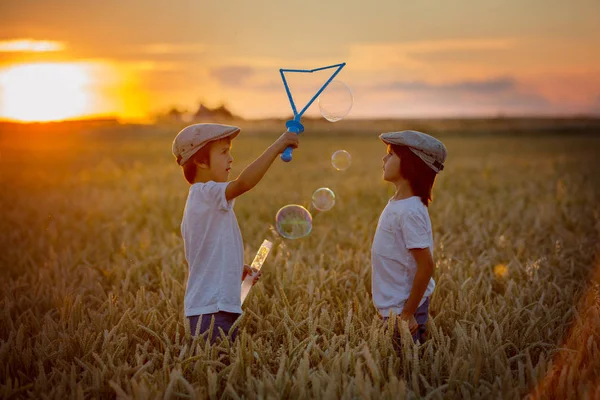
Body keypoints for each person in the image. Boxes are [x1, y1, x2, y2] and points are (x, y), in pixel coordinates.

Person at [172, 123, 299, 343]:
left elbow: (205, 252)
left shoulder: (204, 200)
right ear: (201, 161)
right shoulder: (205, 193)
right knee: (218, 371)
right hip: (211, 313)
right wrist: (278, 145)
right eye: (223, 152)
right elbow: (243, 183)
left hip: (216, 308)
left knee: (221, 371)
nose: (231, 159)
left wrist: (234, 269)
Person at [371, 130, 447, 349]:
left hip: (403, 309)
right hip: (393, 306)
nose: (384, 159)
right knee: (396, 364)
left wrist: (408, 313)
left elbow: (426, 265)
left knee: (405, 367)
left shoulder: (410, 211)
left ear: (411, 164)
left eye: (391, 154)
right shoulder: (400, 203)